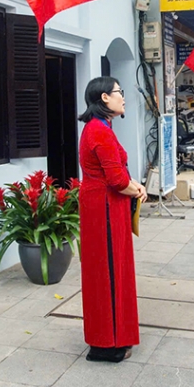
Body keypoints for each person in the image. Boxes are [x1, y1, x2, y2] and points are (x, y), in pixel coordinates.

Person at [78, 76, 147, 363]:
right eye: (119, 92)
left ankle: (108, 337)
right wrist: (138, 189)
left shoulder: (100, 128)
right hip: (104, 206)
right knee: (108, 273)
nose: (123, 97)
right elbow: (117, 179)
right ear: (104, 98)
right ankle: (108, 342)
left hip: (103, 204)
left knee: (106, 271)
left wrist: (132, 186)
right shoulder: (100, 132)